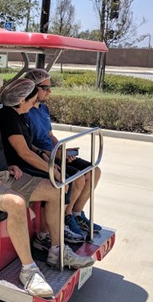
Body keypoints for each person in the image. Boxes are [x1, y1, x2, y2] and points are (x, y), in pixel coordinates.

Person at [0, 67, 94, 298]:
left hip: (3, 176)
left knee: (56, 189)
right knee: (16, 203)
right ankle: (29, 270)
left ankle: (55, 250)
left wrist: (7, 166)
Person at [0, 78, 86, 245]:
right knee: (59, 182)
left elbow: (28, 145)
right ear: (21, 100)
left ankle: (55, 227)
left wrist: (42, 153)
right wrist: (50, 170)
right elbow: (23, 153)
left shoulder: (19, 115)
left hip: (25, 161)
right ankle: (44, 235)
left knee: (66, 179)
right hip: (18, 166)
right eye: (31, 102)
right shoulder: (8, 117)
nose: (33, 106)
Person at [24, 68, 102, 237]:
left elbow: (50, 135)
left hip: (53, 153)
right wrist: (55, 155)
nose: (49, 92)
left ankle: (76, 213)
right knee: (78, 178)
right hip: (43, 157)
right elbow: (27, 146)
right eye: (45, 88)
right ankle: (65, 216)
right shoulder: (25, 112)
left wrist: (61, 149)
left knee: (94, 171)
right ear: (32, 88)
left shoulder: (43, 109)